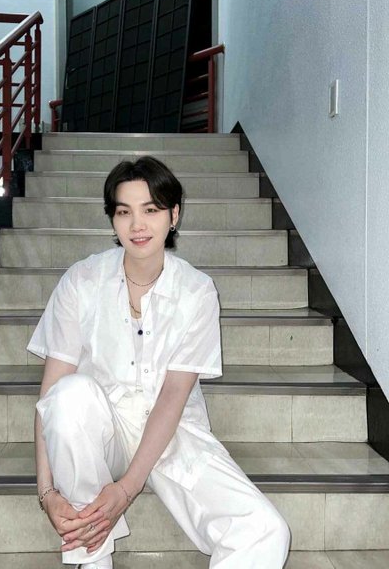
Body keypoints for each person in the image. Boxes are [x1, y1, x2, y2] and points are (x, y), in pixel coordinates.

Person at [27, 156, 291, 569]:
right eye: (124, 212)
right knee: (69, 395)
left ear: (174, 215)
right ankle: (92, 556)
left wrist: (126, 489)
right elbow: (51, 397)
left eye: (151, 210)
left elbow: (172, 398)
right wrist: (47, 492)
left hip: (173, 431)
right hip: (104, 428)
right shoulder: (82, 280)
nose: (137, 225)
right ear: (112, 219)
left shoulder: (197, 291)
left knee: (266, 530)